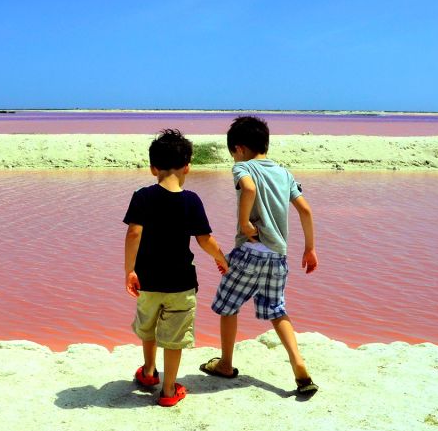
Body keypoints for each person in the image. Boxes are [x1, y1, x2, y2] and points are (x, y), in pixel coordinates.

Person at [202, 115, 319, 394]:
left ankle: (226, 364)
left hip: (250, 252)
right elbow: (306, 210)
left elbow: (250, 188)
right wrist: (310, 248)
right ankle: (298, 365)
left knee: (228, 306)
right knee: (277, 310)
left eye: (233, 154)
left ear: (239, 149)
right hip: (278, 256)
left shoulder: (244, 168)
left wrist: (244, 222)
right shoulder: (284, 173)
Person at [124, 129, 229, 407]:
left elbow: (134, 233)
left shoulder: (142, 196)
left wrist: (129, 271)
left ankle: (148, 373)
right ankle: (169, 391)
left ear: (152, 167)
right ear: (188, 166)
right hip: (181, 283)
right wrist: (222, 259)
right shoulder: (191, 200)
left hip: (147, 280)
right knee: (174, 338)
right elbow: (205, 240)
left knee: (148, 328)